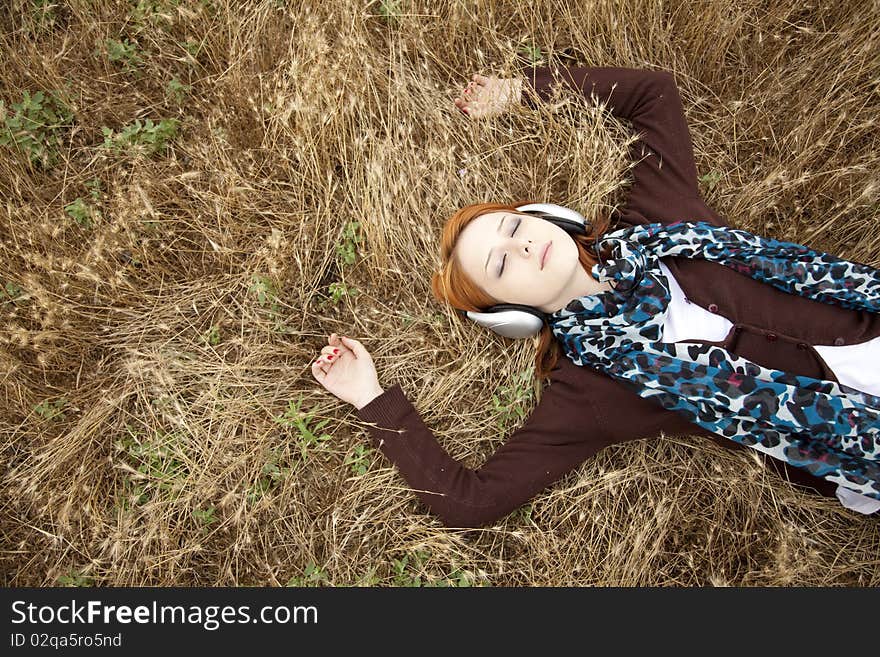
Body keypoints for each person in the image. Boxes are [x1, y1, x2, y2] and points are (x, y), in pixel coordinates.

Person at [310, 65, 880, 528]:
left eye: (513, 227)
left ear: (546, 217)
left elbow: (654, 94)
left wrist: (521, 91)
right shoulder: (590, 391)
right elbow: (470, 502)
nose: (523, 246)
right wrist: (370, 397)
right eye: (500, 265)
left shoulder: (659, 217)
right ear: (507, 315)